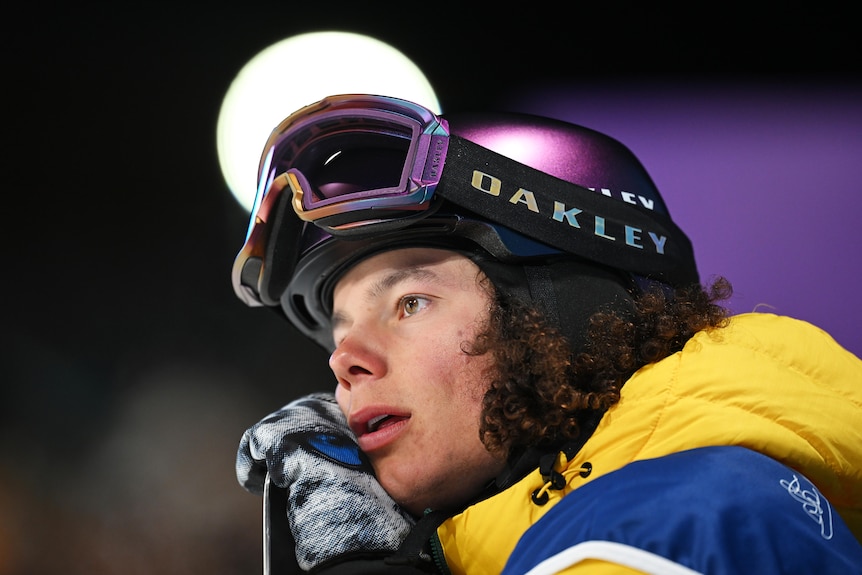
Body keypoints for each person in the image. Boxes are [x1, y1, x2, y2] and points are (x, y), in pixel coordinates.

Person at [231, 94, 862, 574]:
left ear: (569, 309)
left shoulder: (657, 530)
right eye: (339, 332)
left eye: (410, 302)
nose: (345, 361)